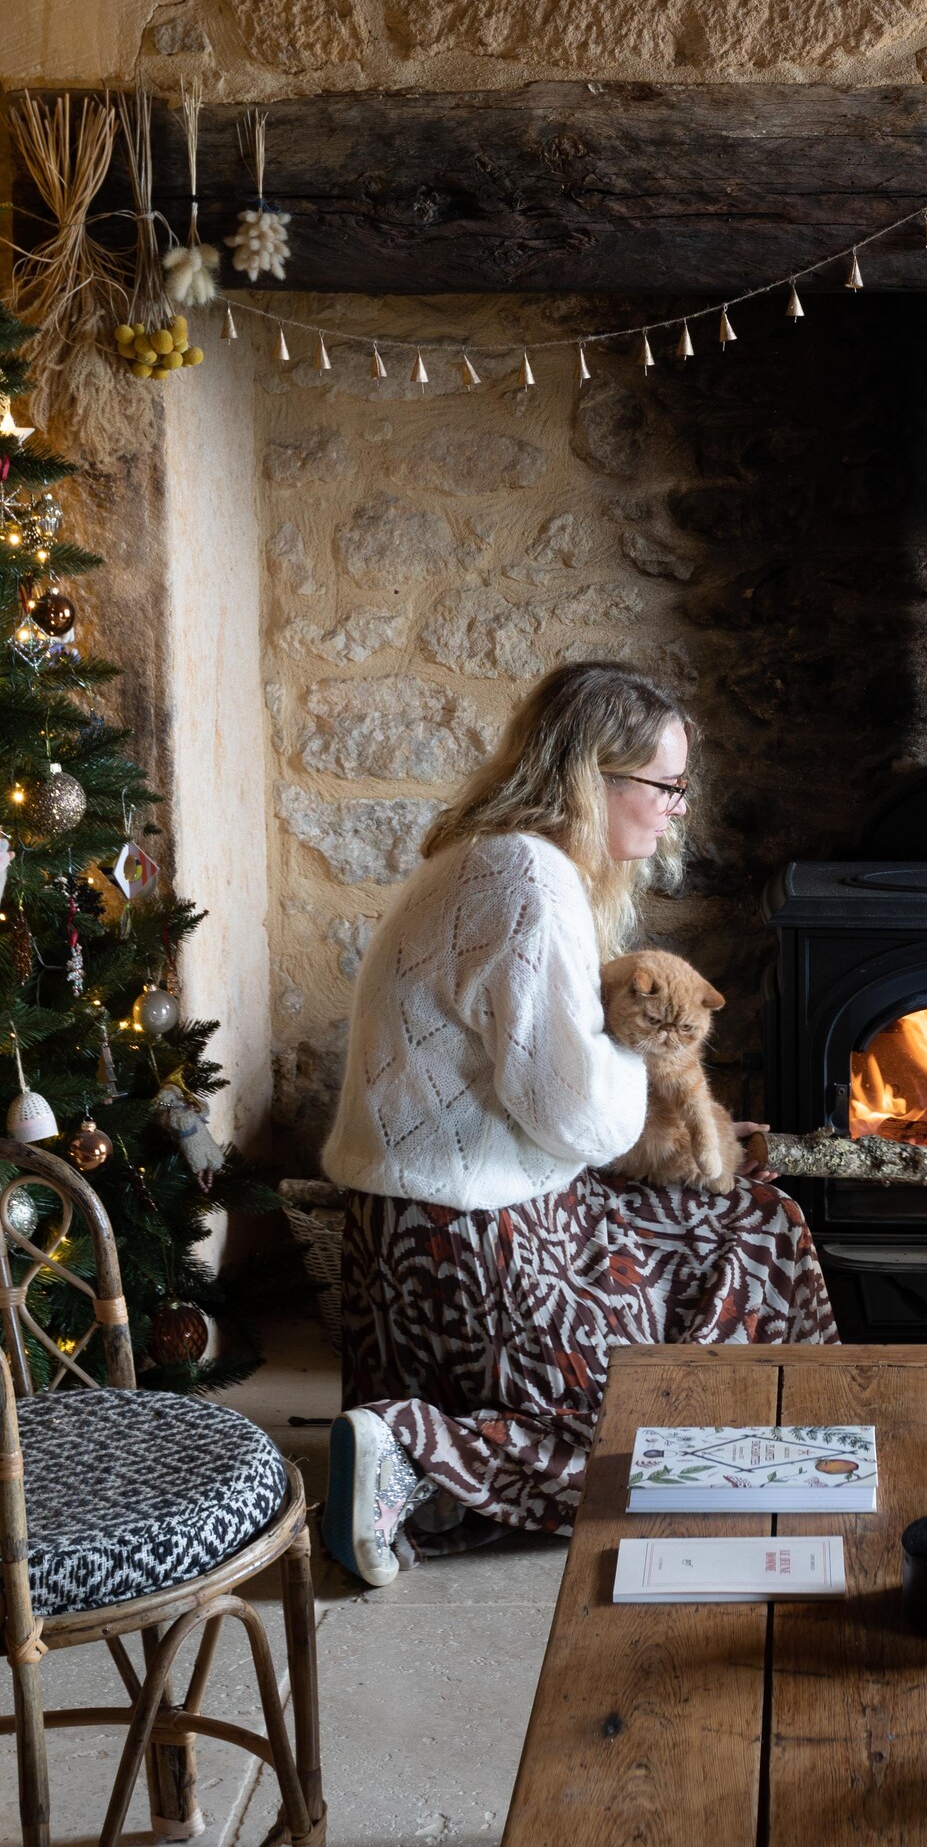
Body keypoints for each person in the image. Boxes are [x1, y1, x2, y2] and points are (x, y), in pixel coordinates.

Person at [319, 661, 836, 1584]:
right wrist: (648, 1067)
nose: (678, 807)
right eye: (666, 786)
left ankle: (445, 1461)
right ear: (593, 777)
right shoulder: (526, 876)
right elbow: (580, 1117)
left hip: (450, 1224)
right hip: (461, 1243)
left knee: (751, 1217)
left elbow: (566, 1105)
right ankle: (410, 1451)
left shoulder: (503, 861)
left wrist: (684, 1129)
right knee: (645, 1444)